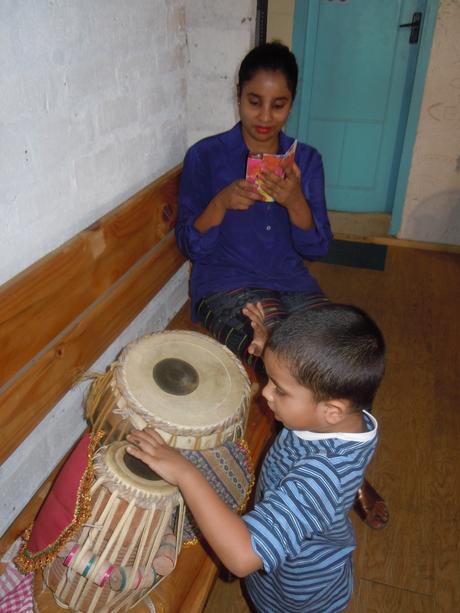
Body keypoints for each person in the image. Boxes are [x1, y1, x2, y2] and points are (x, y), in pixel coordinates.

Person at [176, 41, 388, 529]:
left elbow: (317, 247)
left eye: (278, 103)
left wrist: (294, 201)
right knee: (280, 357)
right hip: (226, 285)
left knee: (340, 355)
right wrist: (221, 204)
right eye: (254, 101)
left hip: (293, 281)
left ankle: (348, 468)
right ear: (238, 96)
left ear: (292, 102)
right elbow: (191, 243)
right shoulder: (208, 156)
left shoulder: (305, 160)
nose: (265, 116)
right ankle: (324, 473)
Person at [126, 304, 386, 613]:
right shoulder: (349, 420)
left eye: (280, 390)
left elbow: (242, 557)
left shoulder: (320, 478)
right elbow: (306, 394)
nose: (265, 393)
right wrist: (272, 347)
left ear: (331, 411)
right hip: (290, 558)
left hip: (298, 597)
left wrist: (185, 472)